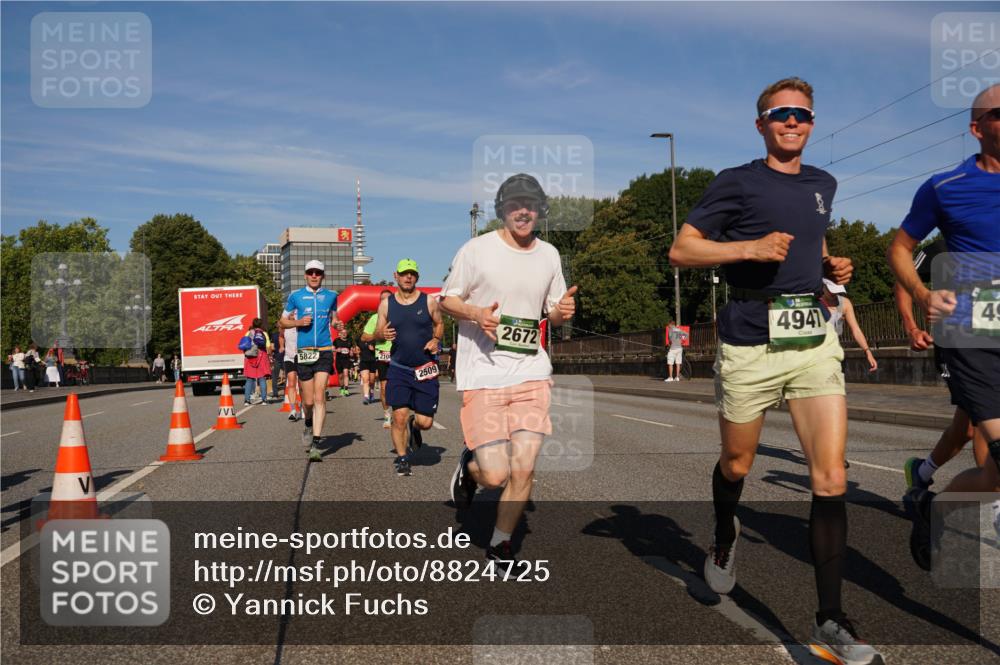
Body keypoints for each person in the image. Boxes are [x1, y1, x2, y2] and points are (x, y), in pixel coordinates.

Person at [668, 77, 882, 665]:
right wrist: (748, 248)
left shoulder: (823, 184)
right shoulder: (736, 182)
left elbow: (807, 250)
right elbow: (682, 250)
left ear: (813, 123)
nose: (793, 122)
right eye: (780, 114)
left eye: (803, 115)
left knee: (831, 477)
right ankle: (723, 534)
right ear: (761, 123)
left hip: (812, 339)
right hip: (749, 343)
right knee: (738, 463)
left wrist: (830, 265)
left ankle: (832, 620)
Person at [887, 83, 1000, 566]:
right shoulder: (945, 187)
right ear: (977, 129)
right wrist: (921, 296)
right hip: (972, 332)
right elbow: (898, 248)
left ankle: (936, 509)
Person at [442, 173, 577, 564]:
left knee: (525, 465)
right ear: (502, 209)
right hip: (484, 375)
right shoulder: (476, 250)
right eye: (515, 204)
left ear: (539, 210)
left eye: (531, 204)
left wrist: (561, 313)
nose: (523, 211)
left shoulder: (549, 255)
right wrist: (475, 313)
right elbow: (446, 301)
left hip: (532, 373)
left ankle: (501, 543)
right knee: (496, 475)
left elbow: (552, 313)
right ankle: (470, 471)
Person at [893, 236, 998, 534]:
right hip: (958, 349)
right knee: (984, 427)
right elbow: (903, 281)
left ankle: (921, 474)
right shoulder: (940, 249)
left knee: (964, 428)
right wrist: (911, 326)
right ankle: (989, 509)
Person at [374, 260, 444, 476]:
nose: (408, 277)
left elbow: (439, 324)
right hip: (399, 368)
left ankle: (416, 428)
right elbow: (377, 332)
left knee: (426, 423)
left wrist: (435, 339)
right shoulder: (386, 304)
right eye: (404, 274)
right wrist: (381, 335)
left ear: (417, 277)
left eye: (412, 274)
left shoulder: (429, 301)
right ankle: (403, 457)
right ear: (396, 276)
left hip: (425, 368)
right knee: (399, 416)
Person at [279, 260, 342, 462]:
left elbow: (334, 319)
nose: (314, 275)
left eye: (318, 272)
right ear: (305, 275)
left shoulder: (332, 296)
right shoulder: (295, 296)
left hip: (324, 350)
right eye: (311, 272)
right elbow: (282, 321)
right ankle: (307, 423)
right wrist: (297, 322)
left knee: (319, 397)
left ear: (323, 275)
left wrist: (338, 324)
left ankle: (316, 442)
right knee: (307, 402)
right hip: (304, 352)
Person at [820, 279, 877, 373]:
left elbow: (856, 329)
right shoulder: (814, 302)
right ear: (823, 286)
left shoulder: (845, 303)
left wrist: (867, 350)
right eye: (831, 291)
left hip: (834, 351)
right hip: (817, 352)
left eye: (837, 291)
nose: (834, 294)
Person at [361, 289, 394, 427]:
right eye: (382, 300)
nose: (385, 302)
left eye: (388, 299)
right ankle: (387, 415)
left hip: (400, 355)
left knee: (403, 387)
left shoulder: (402, 315)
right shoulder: (375, 318)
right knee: (385, 388)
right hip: (383, 356)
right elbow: (363, 337)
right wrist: (377, 335)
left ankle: (402, 412)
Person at [241, 319, 272, 405]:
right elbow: (268, 348)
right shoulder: (264, 333)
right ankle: (264, 400)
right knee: (262, 378)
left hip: (250, 357)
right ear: (261, 325)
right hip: (262, 356)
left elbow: (243, 345)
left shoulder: (248, 333)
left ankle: (247, 400)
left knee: (249, 379)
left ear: (253, 324)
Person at [281, 312, 301, 421]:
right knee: (292, 382)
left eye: (295, 312)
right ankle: (293, 409)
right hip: (289, 357)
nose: (293, 314)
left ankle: (303, 406)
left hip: (301, 356)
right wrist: (281, 346)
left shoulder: (301, 325)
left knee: (302, 383)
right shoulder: (285, 326)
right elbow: (280, 336)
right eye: (291, 313)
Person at [358, 318, 379, 405]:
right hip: (363, 361)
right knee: (365, 379)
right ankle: (366, 397)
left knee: (372, 380)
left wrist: (373, 349)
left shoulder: (374, 339)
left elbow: (378, 349)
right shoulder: (359, 339)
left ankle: (371, 392)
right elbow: (358, 348)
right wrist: (357, 351)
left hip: (373, 361)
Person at [333, 328, 353, 397]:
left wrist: (351, 352)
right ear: (340, 334)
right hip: (339, 360)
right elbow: (332, 349)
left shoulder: (350, 340)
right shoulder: (336, 341)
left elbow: (351, 350)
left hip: (346, 360)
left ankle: (346, 390)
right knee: (340, 376)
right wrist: (336, 350)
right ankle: (342, 388)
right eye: (343, 333)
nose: (344, 334)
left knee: (346, 374)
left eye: (345, 333)